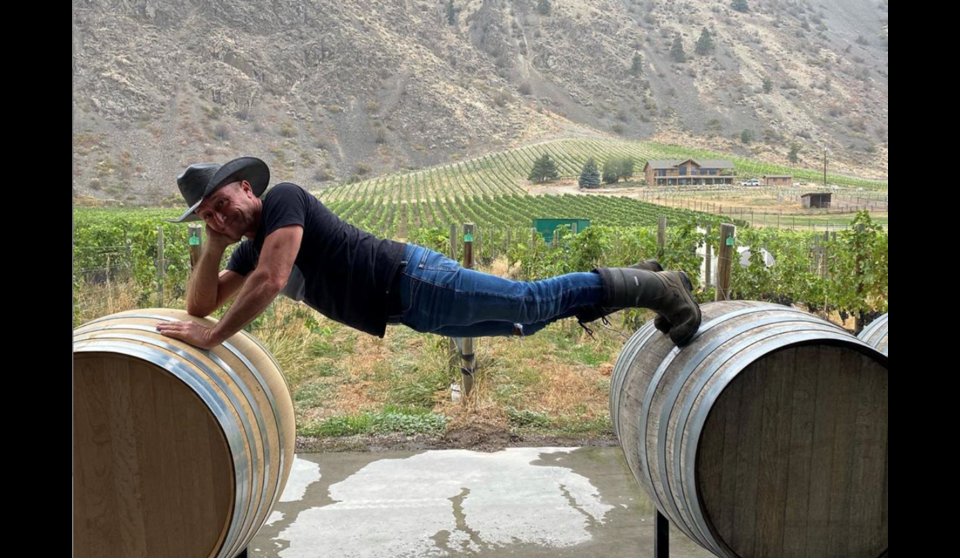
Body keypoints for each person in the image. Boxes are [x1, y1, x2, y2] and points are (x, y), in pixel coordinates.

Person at [156, 156, 701, 349]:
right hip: (410, 308)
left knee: (531, 302)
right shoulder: (243, 250)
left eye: (222, 204)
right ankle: (640, 279)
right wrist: (211, 246)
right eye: (209, 215)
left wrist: (213, 337)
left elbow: (271, 282)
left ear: (247, 188)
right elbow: (200, 305)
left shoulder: (283, 202)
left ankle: (660, 290)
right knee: (526, 324)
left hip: (414, 280)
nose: (221, 217)